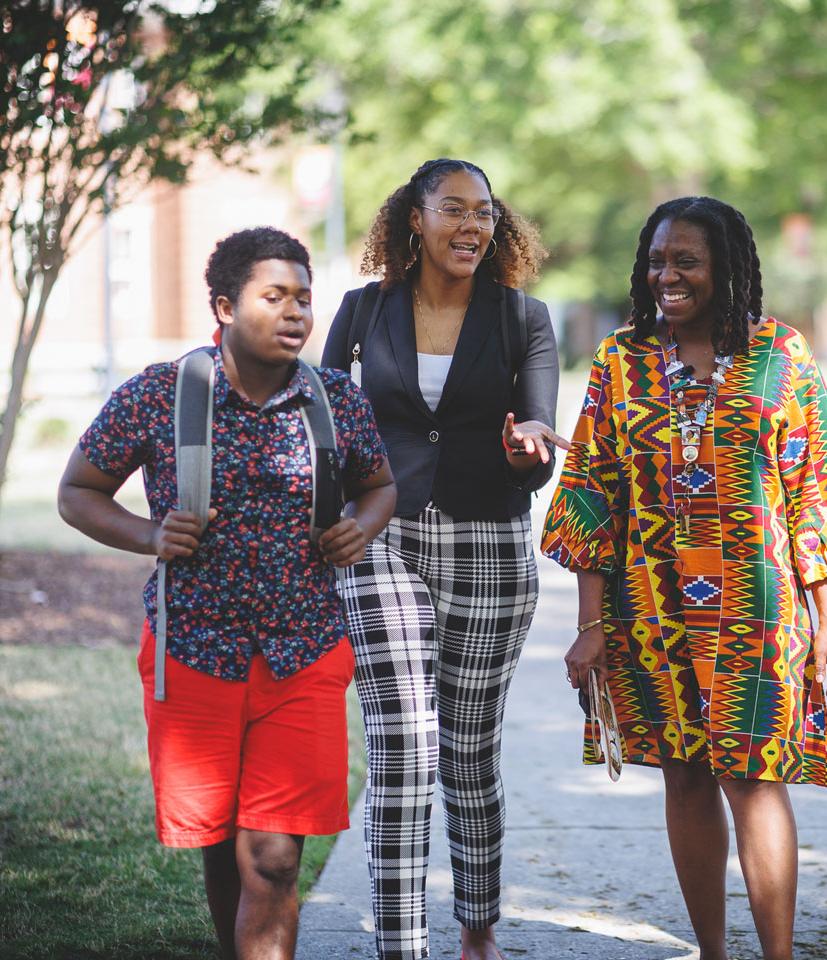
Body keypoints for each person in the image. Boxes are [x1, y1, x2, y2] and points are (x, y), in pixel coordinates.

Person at [542, 196, 827, 960]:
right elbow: (592, 493)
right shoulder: (619, 360)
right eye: (657, 261)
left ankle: (778, 955)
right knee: (685, 778)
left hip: (759, 611)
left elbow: (816, 492)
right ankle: (712, 952)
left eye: (685, 261)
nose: (667, 276)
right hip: (649, 608)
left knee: (756, 778)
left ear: (724, 269)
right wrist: (590, 625)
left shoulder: (781, 356)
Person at [58, 227, 396, 960]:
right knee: (220, 844)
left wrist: (360, 527)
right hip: (194, 654)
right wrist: (148, 536)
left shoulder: (332, 398)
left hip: (302, 652)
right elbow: (77, 491)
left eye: (304, 298)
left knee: (272, 855)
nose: (296, 312)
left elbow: (380, 485)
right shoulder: (159, 394)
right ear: (223, 306)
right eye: (274, 297)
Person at [320, 158, 561, 960]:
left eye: (485, 212)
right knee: (404, 741)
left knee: (466, 749)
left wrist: (527, 450)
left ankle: (478, 927)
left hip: (489, 540)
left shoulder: (523, 318)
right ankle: (400, 944)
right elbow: (324, 429)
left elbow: (538, 437)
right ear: (413, 220)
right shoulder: (362, 312)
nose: (472, 226)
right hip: (381, 534)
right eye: (453, 209)